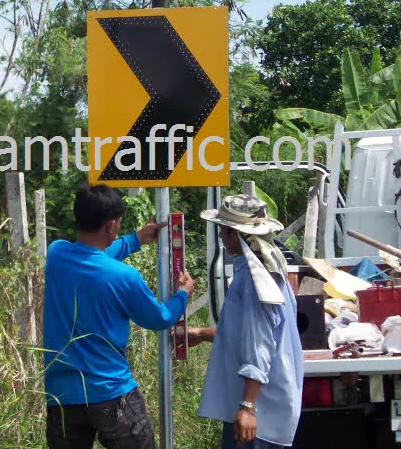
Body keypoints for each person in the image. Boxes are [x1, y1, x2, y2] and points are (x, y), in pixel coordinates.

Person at [42, 183, 195, 449]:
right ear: (111, 226)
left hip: (62, 396)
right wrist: (182, 295)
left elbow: (91, 255)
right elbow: (159, 318)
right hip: (112, 394)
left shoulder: (56, 254)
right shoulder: (123, 277)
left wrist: (135, 239)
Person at [186, 191, 304, 449]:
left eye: (225, 231)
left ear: (240, 235)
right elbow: (249, 332)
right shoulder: (266, 269)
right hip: (265, 407)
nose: (221, 236)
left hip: (259, 412)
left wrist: (248, 407)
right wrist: (202, 334)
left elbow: (259, 343)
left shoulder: (255, 279)